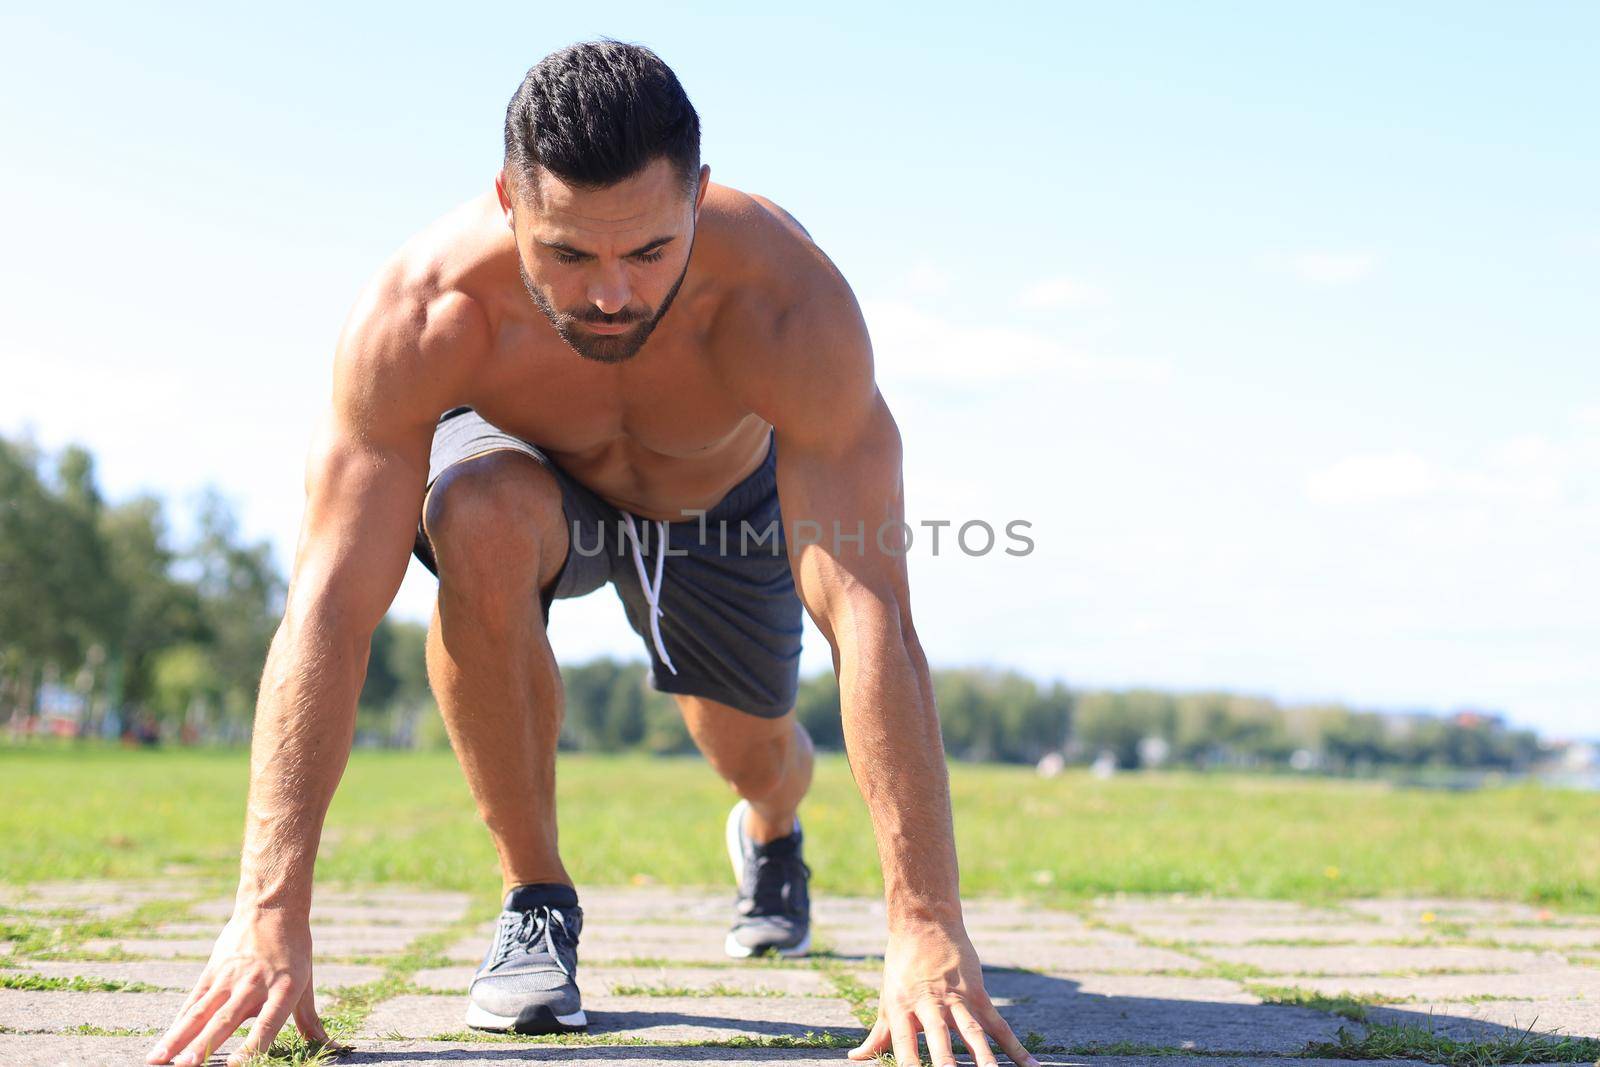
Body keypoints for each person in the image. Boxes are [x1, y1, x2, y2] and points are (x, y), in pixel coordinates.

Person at [147, 40, 1039, 1067]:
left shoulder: (789, 306)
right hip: (534, 480)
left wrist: (924, 920)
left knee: (753, 751)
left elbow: (870, 602)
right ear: (508, 202)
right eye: (569, 254)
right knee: (472, 508)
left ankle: (771, 828)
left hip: (721, 504)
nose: (611, 293)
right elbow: (329, 606)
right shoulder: (424, 312)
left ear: (698, 199)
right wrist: (266, 909)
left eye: (650, 251)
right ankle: (535, 898)